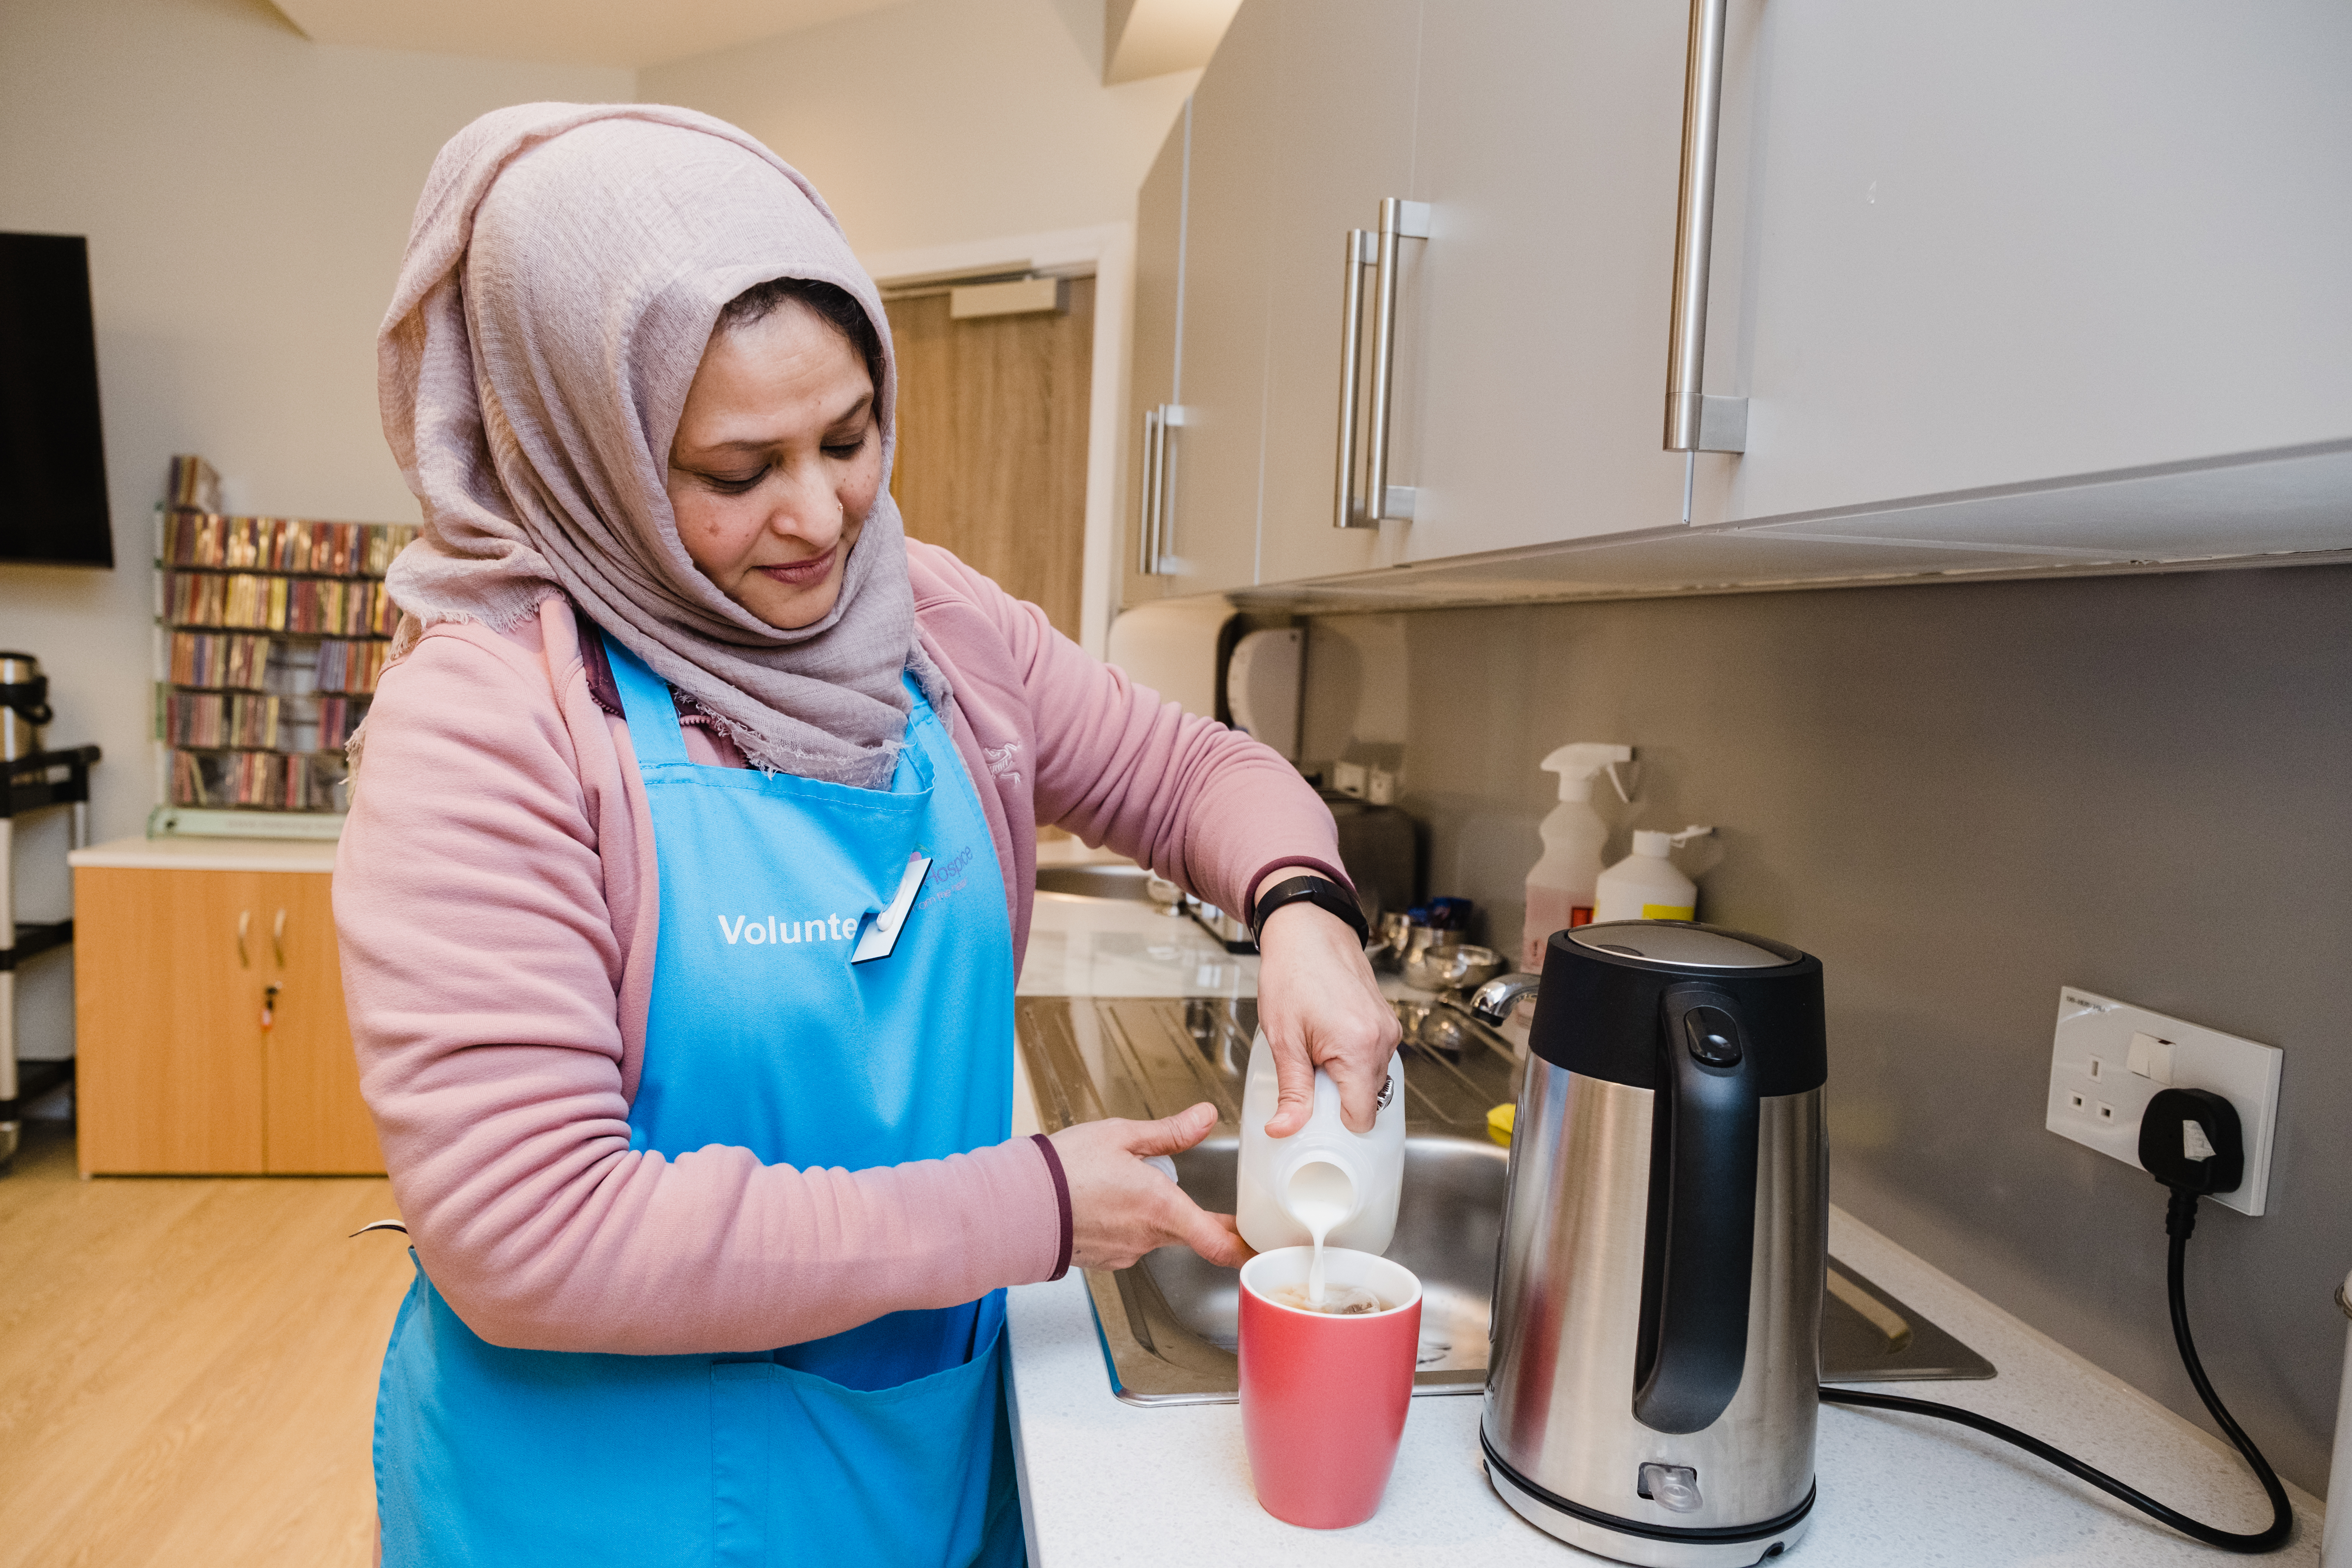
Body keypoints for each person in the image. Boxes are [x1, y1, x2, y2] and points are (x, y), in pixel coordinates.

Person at [334, 102, 1399, 1567]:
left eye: (852, 434)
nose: (823, 513)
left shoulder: (937, 625)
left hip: (902, 1447)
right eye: (734, 470)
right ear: (591, 442)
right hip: (601, 1499)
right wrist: (1022, 1205)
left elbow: (1193, 774)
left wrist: (1304, 913)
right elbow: (535, 1233)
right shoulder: (491, 717)